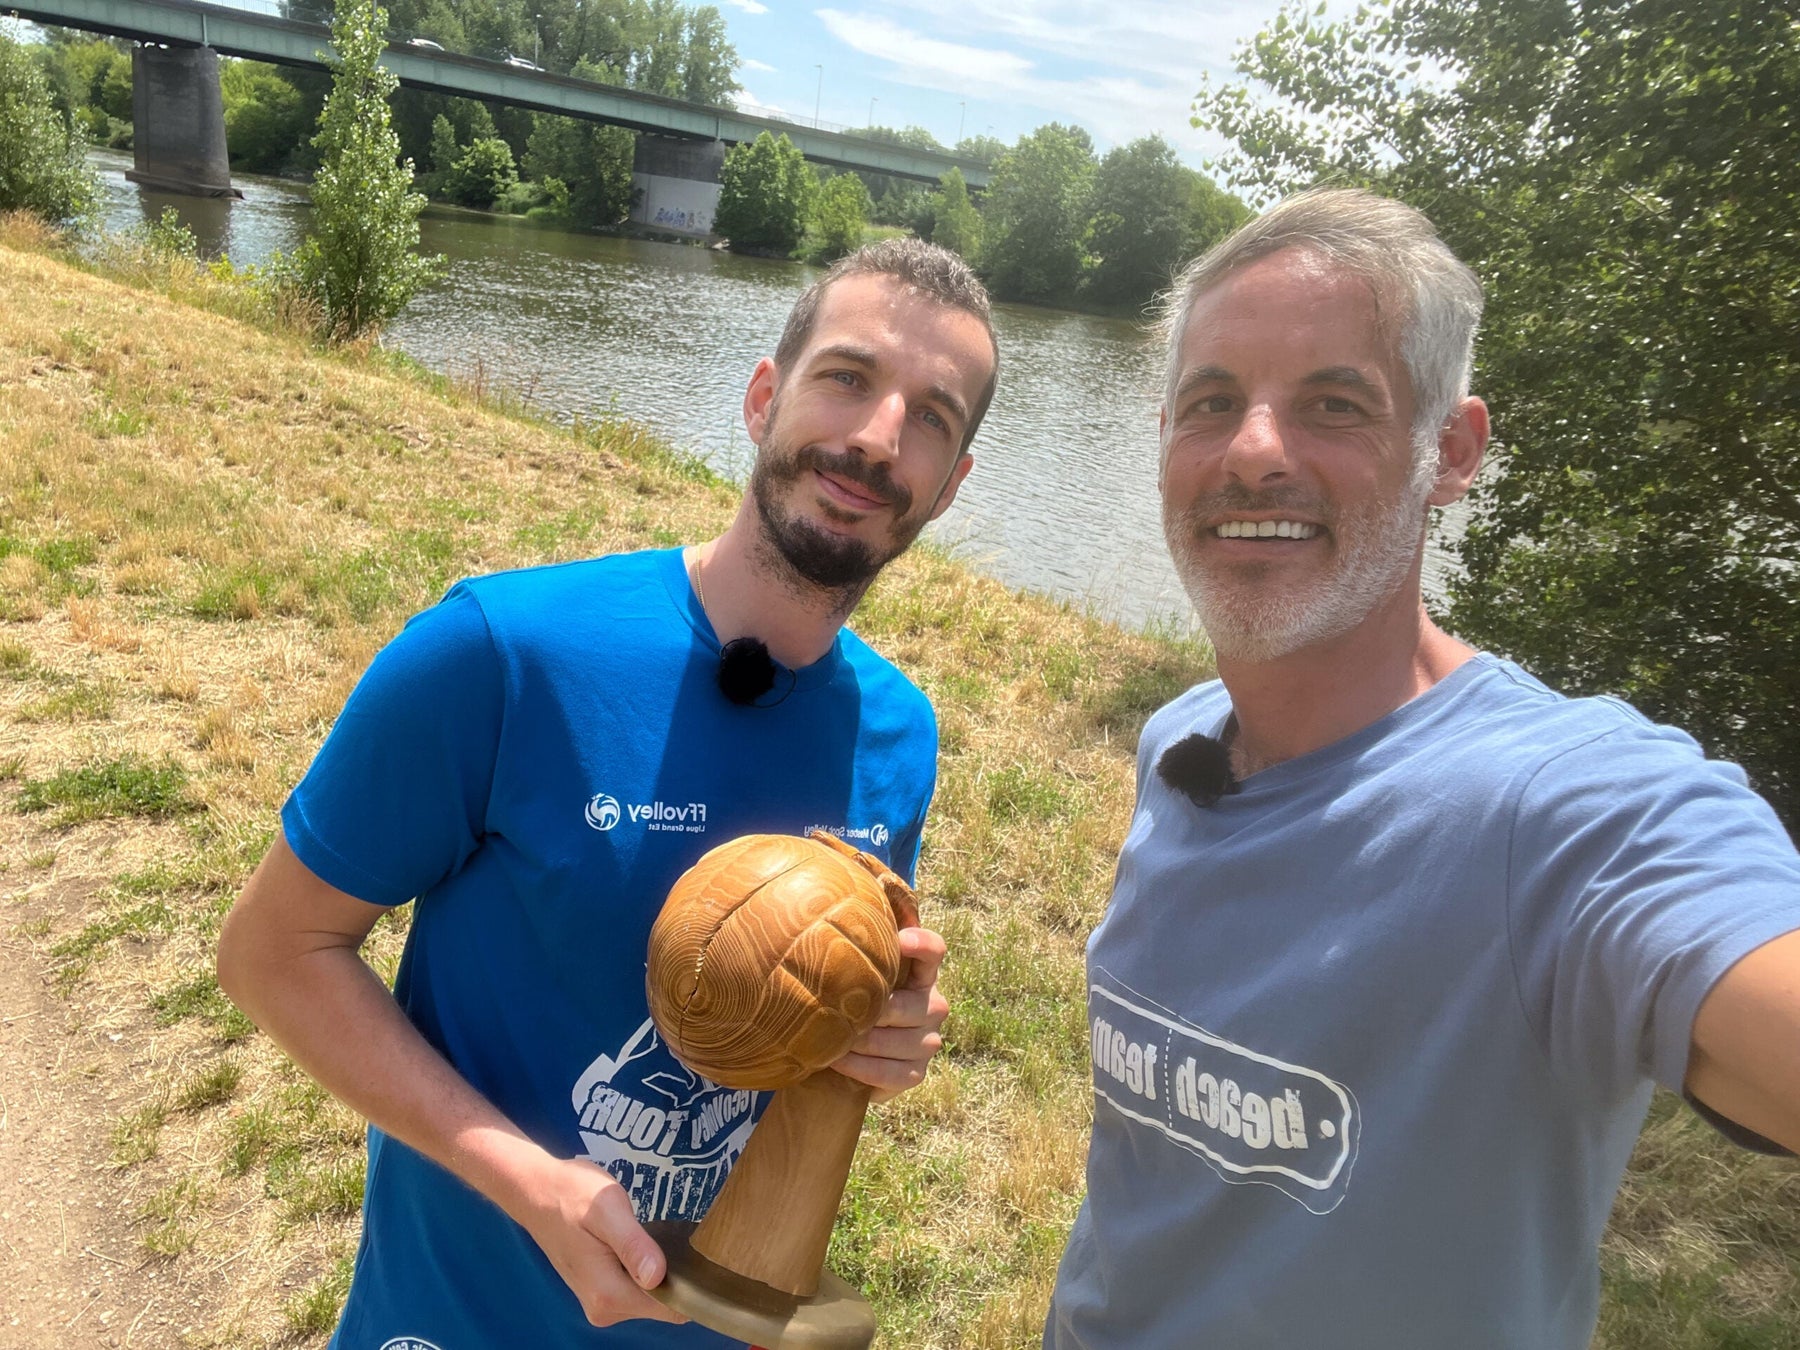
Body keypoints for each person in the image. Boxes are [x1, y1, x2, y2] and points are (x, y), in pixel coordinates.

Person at [1045, 189, 1800, 1348]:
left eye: (1333, 403)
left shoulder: (1566, 812)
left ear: (1448, 453)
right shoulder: (1185, 743)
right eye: (1211, 403)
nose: (1251, 451)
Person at [216, 238, 999, 1350]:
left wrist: (869, 1031)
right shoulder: (503, 651)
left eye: (932, 416)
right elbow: (272, 952)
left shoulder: (899, 733)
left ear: (953, 482)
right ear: (763, 396)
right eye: (848, 377)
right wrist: (530, 1183)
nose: (878, 437)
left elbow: (796, 1016)